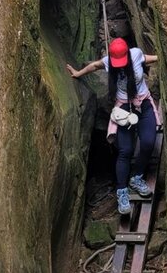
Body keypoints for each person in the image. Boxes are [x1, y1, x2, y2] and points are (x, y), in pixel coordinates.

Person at [66, 37, 159, 215]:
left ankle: (137, 177)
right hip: (124, 107)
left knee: (148, 142)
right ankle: (122, 192)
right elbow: (94, 66)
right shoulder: (109, 62)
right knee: (125, 150)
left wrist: (161, 57)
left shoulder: (136, 54)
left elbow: (146, 58)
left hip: (143, 103)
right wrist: (78, 73)